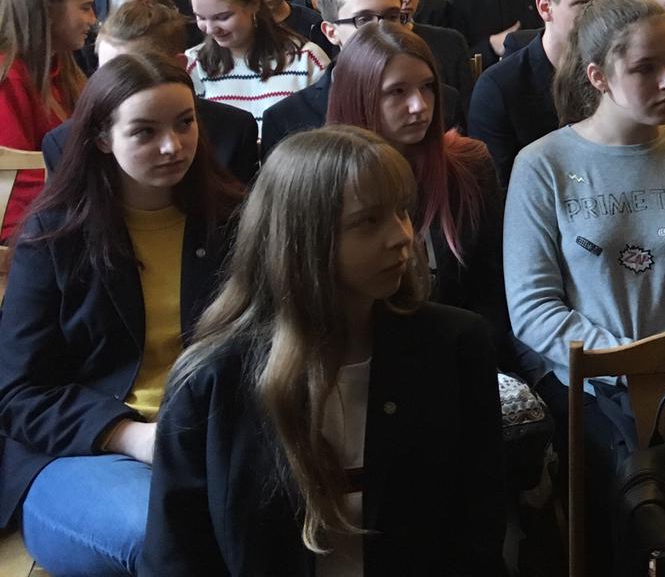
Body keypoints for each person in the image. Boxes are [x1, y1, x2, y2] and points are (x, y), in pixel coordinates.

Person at [143, 126, 503, 575]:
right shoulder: (211, 380)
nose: (402, 237)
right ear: (303, 239)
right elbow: (176, 557)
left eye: (402, 212)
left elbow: (478, 534)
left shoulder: (456, 348)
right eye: (368, 221)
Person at [503, 0, 665, 570]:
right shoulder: (544, 165)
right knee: (626, 502)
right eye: (644, 68)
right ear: (598, 77)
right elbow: (533, 308)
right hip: (598, 386)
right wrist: (641, 369)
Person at [0, 55, 240, 576]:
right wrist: (134, 436)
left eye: (185, 123)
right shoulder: (54, 236)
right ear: (102, 139)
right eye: (145, 131)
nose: (173, 146)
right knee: (168, 536)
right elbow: (17, 393)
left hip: (211, 439)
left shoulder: (233, 218)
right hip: (81, 453)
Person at [325, 23, 504, 343]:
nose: (420, 105)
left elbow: (491, 288)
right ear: (359, 97)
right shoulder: (326, 182)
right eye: (397, 91)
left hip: (460, 347)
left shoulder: (469, 164)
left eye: (428, 87)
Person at [42, 0, 258, 187]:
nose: (112, 86)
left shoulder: (232, 131)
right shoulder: (65, 143)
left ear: (179, 65)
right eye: (105, 72)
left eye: (133, 73)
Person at [260, 0, 466, 157]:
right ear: (331, 32)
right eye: (364, 20)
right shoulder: (288, 117)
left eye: (392, 17)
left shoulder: (442, 102)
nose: (382, 30)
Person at [467, 0, 613, 186]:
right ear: (545, 8)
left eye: (605, 3)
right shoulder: (499, 88)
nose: (600, 16)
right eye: (583, 3)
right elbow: (494, 189)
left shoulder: (619, 72)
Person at [0, 0, 93, 239]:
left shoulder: (63, 66)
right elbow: (14, 175)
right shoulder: (9, 77)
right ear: (50, 13)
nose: (93, 19)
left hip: (63, 205)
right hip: (29, 224)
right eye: (85, 8)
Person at [185, 0, 330, 135]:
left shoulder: (307, 59)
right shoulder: (193, 64)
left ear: (253, 5)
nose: (210, 29)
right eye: (200, 18)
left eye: (222, 17)